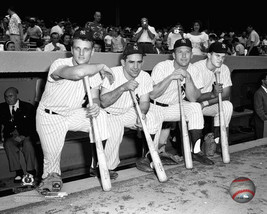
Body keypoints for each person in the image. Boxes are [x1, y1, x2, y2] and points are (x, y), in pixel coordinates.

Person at [35, 28, 115, 192]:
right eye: (77, 48)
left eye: (86, 49)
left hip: (72, 114)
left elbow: (94, 97)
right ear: (71, 49)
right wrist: (101, 66)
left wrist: (95, 105)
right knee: (52, 172)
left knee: (101, 117)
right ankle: (49, 183)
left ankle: (97, 165)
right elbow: (77, 73)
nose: (81, 53)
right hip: (50, 117)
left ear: (92, 51)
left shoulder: (93, 71)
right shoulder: (59, 64)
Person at [100, 43, 163, 175]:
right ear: (123, 62)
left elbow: (145, 102)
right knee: (116, 129)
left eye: (139, 62)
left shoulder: (144, 76)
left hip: (126, 112)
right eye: (131, 62)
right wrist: (123, 87)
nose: (136, 67)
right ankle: (108, 168)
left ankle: (147, 158)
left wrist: (142, 114)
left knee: (152, 117)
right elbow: (104, 102)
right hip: (107, 113)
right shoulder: (112, 73)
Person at [149, 38, 214, 165]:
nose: (184, 56)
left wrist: (188, 78)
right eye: (180, 52)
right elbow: (152, 94)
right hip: (155, 108)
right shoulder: (162, 67)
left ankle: (195, 152)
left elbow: (193, 98)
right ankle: (149, 157)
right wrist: (171, 77)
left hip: (174, 107)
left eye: (187, 52)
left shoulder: (194, 70)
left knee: (195, 107)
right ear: (173, 55)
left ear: (192, 54)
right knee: (153, 151)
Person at [193, 41, 233, 153]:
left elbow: (225, 94)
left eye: (223, 57)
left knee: (227, 106)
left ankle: (218, 142)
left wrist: (206, 103)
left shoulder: (223, 68)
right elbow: (193, 97)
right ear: (209, 55)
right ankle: (195, 150)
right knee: (195, 108)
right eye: (217, 55)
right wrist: (209, 97)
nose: (220, 59)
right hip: (192, 103)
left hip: (206, 104)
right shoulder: (196, 68)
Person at [0, 87, 37, 183]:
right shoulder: (1, 108)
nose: (8, 99)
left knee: (28, 145)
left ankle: (30, 170)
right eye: (6, 97)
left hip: (26, 135)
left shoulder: (28, 107)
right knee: (8, 144)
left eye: (11, 96)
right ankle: (19, 172)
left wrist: (24, 135)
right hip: (11, 135)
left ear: (17, 95)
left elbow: (33, 125)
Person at [253, 72, 267, 139]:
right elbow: (259, 110)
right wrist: (265, 118)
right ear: (263, 81)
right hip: (262, 121)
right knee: (262, 139)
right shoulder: (258, 93)